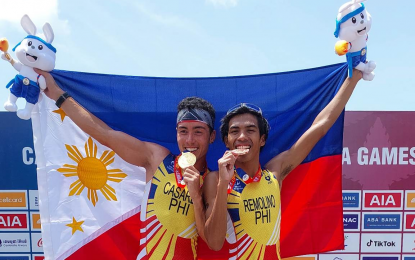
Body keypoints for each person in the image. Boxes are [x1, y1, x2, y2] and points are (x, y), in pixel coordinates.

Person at [35, 69, 216, 260]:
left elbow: (212, 240)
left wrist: (196, 195)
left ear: (211, 137)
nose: (189, 140)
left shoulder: (213, 181)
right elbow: (103, 134)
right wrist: (57, 94)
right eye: (183, 131)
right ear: (176, 133)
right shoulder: (157, 159)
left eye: (198, 132)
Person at [202, 70, 362, 259]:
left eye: (250, 130)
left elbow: (320, 126)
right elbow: (214, 242)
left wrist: (353, 79)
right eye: (235, 131)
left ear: (262, 140)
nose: (242, 137)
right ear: (227, 141)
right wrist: (223, 186)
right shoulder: (215, 179)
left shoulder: (275, 172)